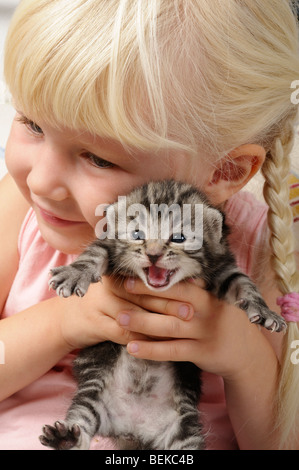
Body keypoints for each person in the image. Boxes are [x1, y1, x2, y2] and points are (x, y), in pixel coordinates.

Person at [0, 0, 298, 450]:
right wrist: (64, 321)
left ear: (224, 172)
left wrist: (246, 359)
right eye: (31, 123)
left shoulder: (269, 252)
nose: (40, 181)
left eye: (99, 158)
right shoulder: (19, 210)